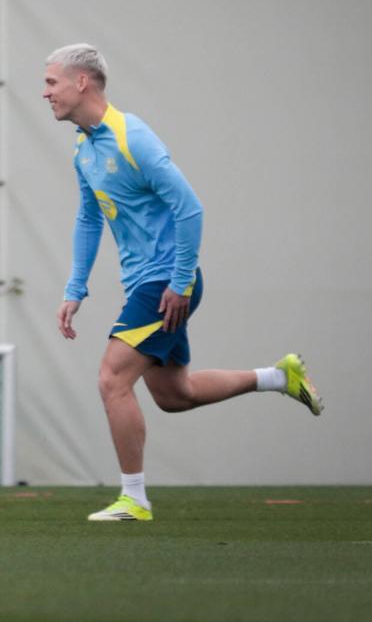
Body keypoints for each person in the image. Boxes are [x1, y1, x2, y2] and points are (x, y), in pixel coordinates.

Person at [42, 43, 322, 522]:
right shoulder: (83, 146)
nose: (45, 93)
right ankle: (279, 376)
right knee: (176, 396)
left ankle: (135, 499)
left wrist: (179, 280)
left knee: (112, 378)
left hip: (166, 282)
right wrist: (74, 288)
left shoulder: (134, 138)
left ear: (81, 82)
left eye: (51, 82)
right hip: (148, 285)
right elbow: (89, 219)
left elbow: (190, 208)